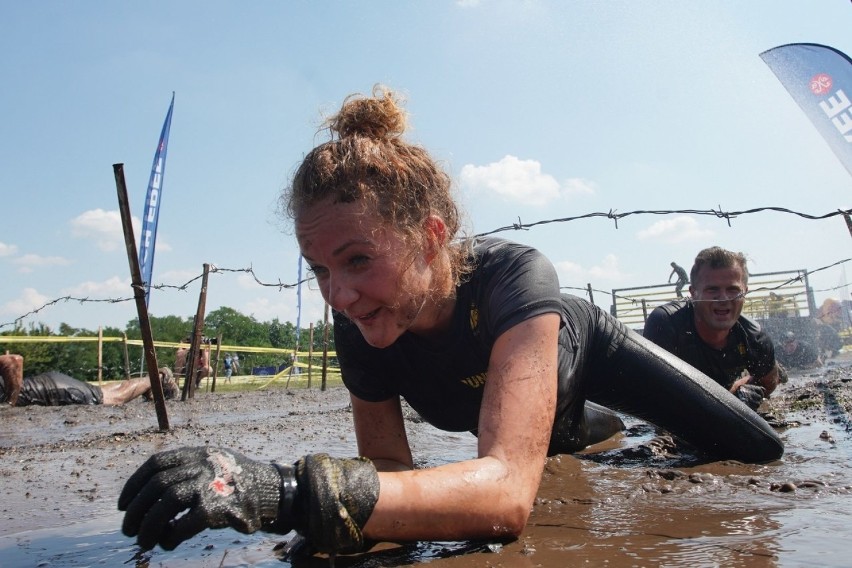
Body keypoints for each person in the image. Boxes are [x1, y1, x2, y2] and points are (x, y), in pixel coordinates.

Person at [118, 87, 783, 557]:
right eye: (318, 269)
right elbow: (385, 467)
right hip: (543, 421)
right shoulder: (360, 322)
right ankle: (594, 433)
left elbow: (504, 496)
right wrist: (333, 526)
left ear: (431, 236)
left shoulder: (513, 279)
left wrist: (287, 491)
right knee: (560, 444)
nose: (340, 296)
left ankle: (670, 413)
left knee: (753, 445)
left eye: (357, 260)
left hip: (589, 350)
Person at [644, 247, 781, 411]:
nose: (723, 299)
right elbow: (655, 398)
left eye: (732, 290)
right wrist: (729, 397)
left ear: (745, 292)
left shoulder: (754, 336)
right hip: (687, 392)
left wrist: (742, 388)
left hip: (724, 386)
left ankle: (774, 368)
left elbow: (768, 384)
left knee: (773, 375)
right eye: (712, 289)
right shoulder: (667, 324)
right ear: (693, 293)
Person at [0, 352, 178, 406]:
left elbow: (13, 361)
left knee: (114, 399)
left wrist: (10, 402)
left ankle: (158, 377)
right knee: (104, 391)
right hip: (50, 384)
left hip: (53, 391)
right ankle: (149, 382)